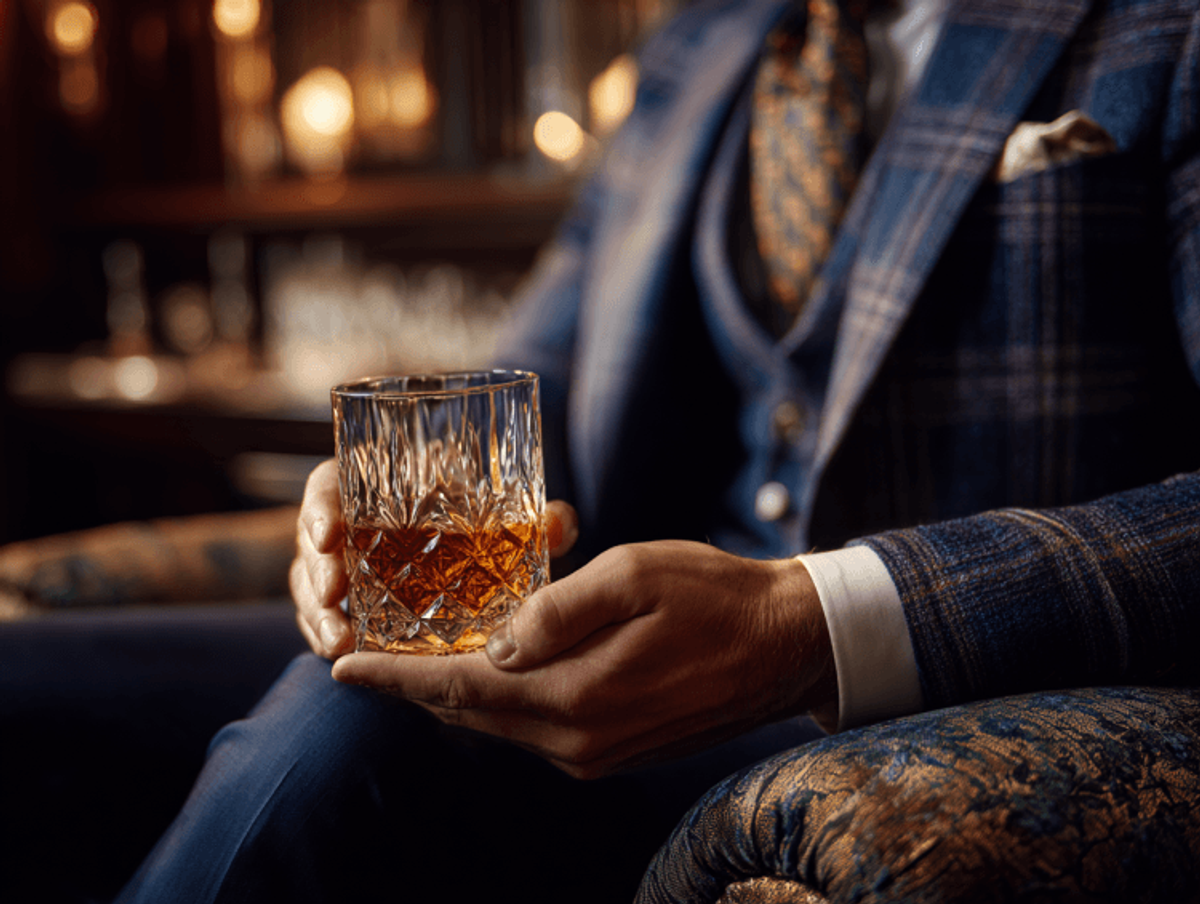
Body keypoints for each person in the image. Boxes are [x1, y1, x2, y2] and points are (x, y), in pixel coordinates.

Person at [118, 0, 1200, 900]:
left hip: (925, 694)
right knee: (50, 689)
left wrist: (809, 624)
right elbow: (532, 386)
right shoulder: (701, 40)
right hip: (603, 637)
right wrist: (393, 501)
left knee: (339, 735)